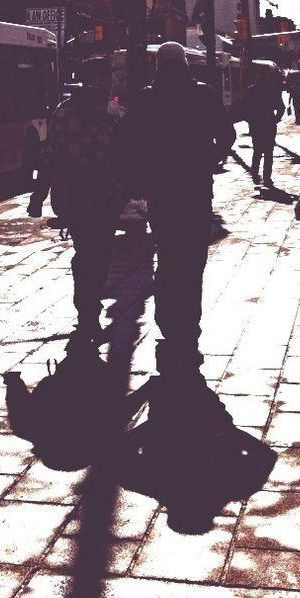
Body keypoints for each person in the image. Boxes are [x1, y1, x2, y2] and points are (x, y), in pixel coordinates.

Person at [120, 42, 235, 377]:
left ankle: (168, 324)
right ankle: (189, 328)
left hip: (162, 193)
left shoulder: (145, 98)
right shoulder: (204, 95)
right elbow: (226, 134)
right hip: (196, 191)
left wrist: (138, 174)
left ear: (158, 66)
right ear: (185, 63)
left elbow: (125, 140)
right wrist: (212, 158)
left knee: (168, 257)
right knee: (193, 261)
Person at [27, 57, 127, 344]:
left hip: (71, 197)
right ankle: (89, 309)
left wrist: (38, 196)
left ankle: (86, 312)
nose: (111, 81)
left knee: (84, 254)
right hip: (105, 198)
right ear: (101, 80)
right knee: (101, 255)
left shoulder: (62, 113)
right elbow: (126, 158)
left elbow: (49, 156)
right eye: (107, 77)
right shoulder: (113, 113)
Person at [240, 67, 285, 186]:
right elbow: (281, 108)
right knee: (269, 152)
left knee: (257, 150)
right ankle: (267, 177)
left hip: (256, 125)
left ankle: (255, 173)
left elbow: (243, 108)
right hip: (269, 124)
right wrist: (276, 119)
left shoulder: (250, 90)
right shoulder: (272, 90)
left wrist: (250, 120)